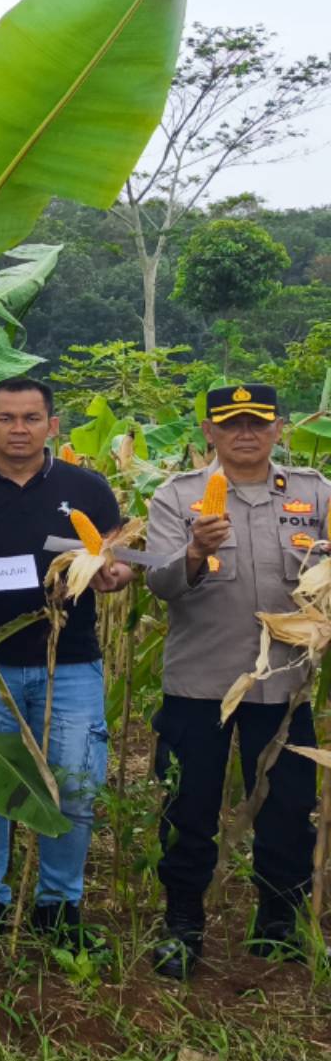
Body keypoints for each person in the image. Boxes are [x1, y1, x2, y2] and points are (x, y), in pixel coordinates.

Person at [0, 377, 132, 952]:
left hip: (71, 662)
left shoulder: (86, 487)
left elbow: (113, 566)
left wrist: (113, 574)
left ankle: (59, 904)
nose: (20, 429)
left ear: (51, 426)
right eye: (7, 419)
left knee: (73, 784)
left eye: (31, 418)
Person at [144, 384, 325, 979]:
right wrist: (195, 552)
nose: (245, 434)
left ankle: (279, 926)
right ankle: (183, 926)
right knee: (189, 805)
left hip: (286, 682)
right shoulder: (178, 499)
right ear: (209, 434)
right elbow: (161, 585)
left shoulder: (315, 492)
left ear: (280, 428)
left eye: (257, 423)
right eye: (231, 425)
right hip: (201, 681)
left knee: (288, 808)